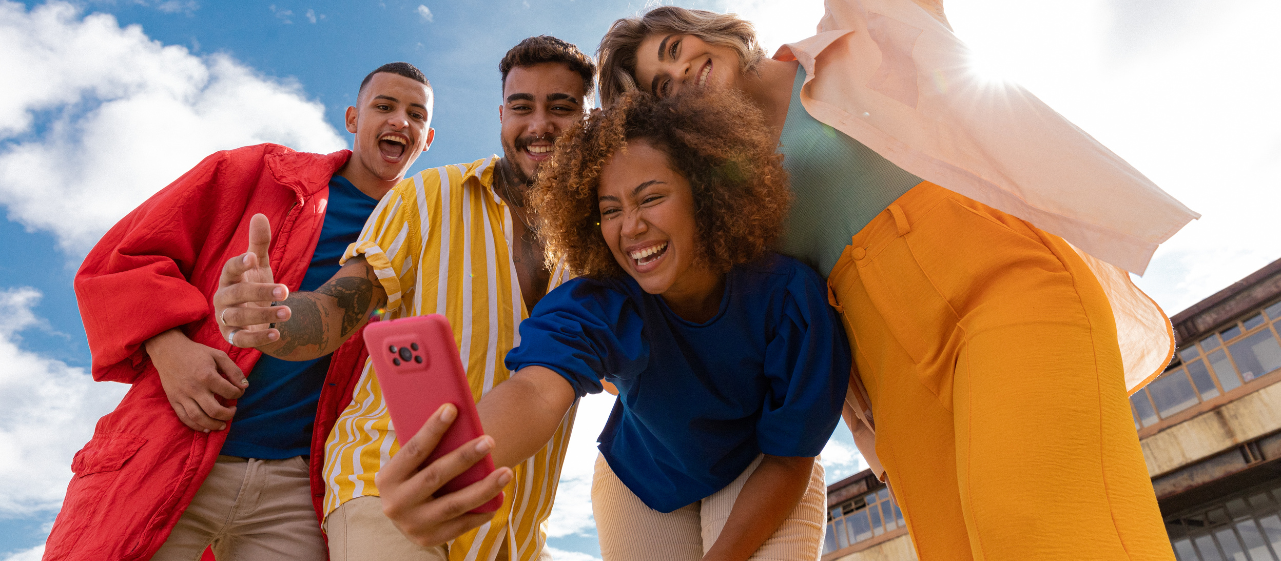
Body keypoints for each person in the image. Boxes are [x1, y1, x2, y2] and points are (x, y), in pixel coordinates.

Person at [594, 3, 1198, 560]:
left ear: (711, 29)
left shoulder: (856, 40)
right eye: (661, 87)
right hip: (892, 369)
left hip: (1006, 285)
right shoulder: (728, 196)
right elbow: (758, 314)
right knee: (956, 543)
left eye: (674, 48)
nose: (682, 74)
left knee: (1032, 519)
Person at [212, 36, 596, 561]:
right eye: (521, 107)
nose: (538, 125)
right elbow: (334, 310)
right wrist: (271, 317)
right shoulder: (429, 194)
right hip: (384, 485)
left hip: (515, 532)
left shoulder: (599, 244)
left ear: (591, 117)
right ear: (501, 115)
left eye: (562, 108)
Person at [46, 62, 437, 561]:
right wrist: (170, 350)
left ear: (427, 140)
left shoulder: (424, 235)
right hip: (175, 445)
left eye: (415, 114)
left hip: (300, 488)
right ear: (352, 119)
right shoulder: (256, 173)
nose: (399, 121)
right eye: (384, 106)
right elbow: (121, 261)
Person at [474, 89, 849, 561]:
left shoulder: (789, 297)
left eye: (650, 197)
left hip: (762, 466)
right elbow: (536, 389)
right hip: (642, 480)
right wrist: (458, 467)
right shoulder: (601, 301)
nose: (630, 227)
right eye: (610, 210)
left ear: (705, 193)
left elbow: (789, 457)